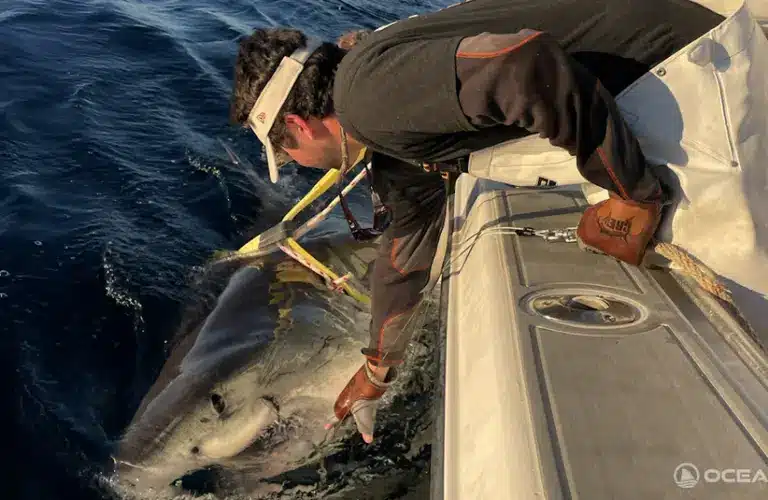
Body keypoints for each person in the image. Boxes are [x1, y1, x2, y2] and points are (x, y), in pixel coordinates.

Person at [228, 0, 726, 443]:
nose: (301, 164)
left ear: (296, 124)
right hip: (667, 69)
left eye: (288, 154)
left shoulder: (368, 98)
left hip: (696, 64)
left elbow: (528, 66)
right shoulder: (387, 119)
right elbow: (406, 250)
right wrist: (377, 372)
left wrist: (631, 192)